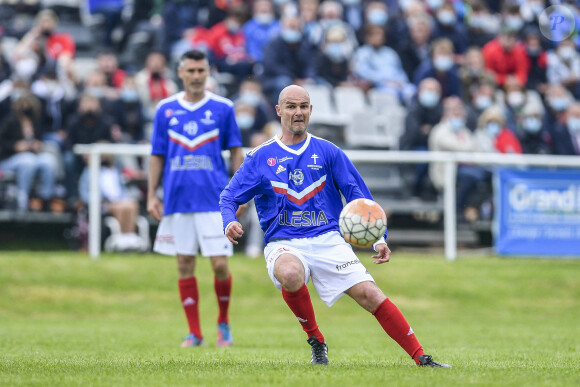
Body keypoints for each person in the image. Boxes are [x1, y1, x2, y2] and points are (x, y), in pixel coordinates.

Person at [219, 85, 450, 368]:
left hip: (329, 239)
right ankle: (316, 340)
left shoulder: (329, 152)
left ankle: (421, 357)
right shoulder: (259, 157)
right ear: (279, 111)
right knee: (290, 273)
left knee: (370, 295)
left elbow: (359, 195)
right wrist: (229, 220)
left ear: (311, 110)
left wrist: (379, 237)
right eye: (291, 106)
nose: (298, 112)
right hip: (284, 242)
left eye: (304, 106)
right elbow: (229, 197)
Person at [147, 50, 244, 348]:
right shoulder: (165, 110)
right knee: (184, 264)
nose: (197, 76)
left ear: (208, 73)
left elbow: (236, 153)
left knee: (219, 264)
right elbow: (157, 155)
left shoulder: (223, 108)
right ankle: (195, 333)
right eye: (191, 71)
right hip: (178, 199)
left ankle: (223, 323)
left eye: (201, 71)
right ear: (180, 73)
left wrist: (239, 192)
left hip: (214, 200)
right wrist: (152, 194)